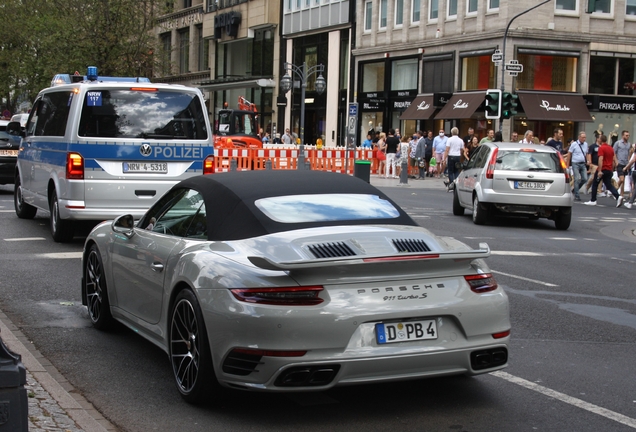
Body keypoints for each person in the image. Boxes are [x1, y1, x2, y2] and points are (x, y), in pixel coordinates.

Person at [584, 134, 623, 207]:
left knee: (595, 183)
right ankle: (618, 196)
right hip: (609, 169)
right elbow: (614, 159)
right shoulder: (611, 148)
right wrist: (612, 168)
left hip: (603, 169)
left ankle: (593, 200)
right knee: (608, 184)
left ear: (600, 140)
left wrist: (599, 170)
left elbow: (600, 159)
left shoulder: (601, 148)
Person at [568, 131, 588, 202]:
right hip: (575, 163)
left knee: (585, 179)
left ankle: (575, 189)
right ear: (579, 137)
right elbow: (569, 153)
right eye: (583, 137)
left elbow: (586, 153)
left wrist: (587, 160)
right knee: (576, 179)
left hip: (583, 163)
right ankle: (577, 195)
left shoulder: (585, 144)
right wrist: (567, 164)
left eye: (585, 137)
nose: (584, 139)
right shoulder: (574, 144)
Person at [613, 130, 631, 197]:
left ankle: (621, 194)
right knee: (621, 179)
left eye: (628, 135)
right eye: (626, 135)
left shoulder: (629, 144)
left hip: (626, 163)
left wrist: (629, 163)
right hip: (620, 163)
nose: (628, 137)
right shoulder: (618, 143)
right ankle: (614, 190)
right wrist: (616, 162)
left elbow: (629, 154)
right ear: (623, 135)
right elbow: (614, 153)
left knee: (624, 181)